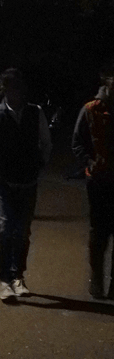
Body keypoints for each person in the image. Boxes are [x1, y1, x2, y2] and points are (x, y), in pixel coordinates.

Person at [0, 67, 52, 302]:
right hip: (3, 181)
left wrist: (38, 165)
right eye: (10, 89)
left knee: (23, 231)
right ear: (4, 90)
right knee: (5, 228)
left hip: (28, 180)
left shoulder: (35, 113)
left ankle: (18, 276)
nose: (15, 93)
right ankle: (4, 279)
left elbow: (46, 143)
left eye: (18, 88)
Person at [71, 68, 114, 299]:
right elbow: (78, 142)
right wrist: (89, 161)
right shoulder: (91, 110)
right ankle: (96, 279)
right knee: (99, 231)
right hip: (99, 179)